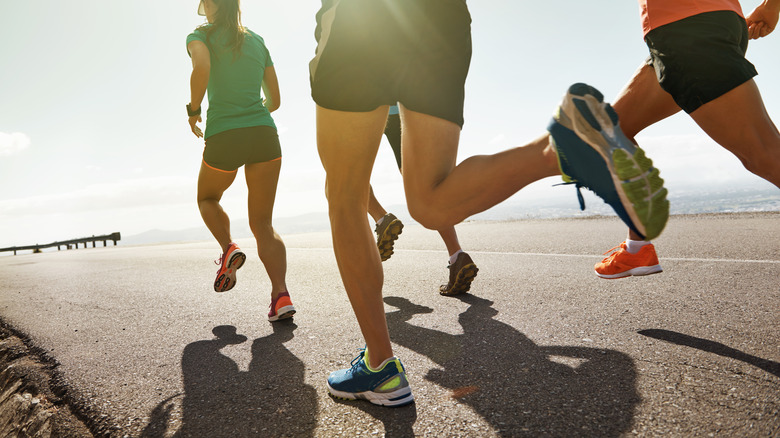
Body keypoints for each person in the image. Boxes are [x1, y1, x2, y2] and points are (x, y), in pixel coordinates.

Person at [310, 0, 668, 407]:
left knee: (343, 196)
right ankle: (562, 147)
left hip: (361, 18)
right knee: (431, 203)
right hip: (439, 17)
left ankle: (380, 367)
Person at [594, 0, 780, 279]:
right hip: (677, 32)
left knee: (765, 156)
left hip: (688, 30)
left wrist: (771, 5)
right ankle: (637, 249)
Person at [186, 0, 295, 322]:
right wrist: (254, 110)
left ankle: (228, 247)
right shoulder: (257, 40)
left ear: (210, 5)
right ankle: (281, 295)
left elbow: (201, 68)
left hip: (224, 134)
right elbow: (275, 100)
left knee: (207, 197)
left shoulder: (199, 36)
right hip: (264, 133)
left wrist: (194, 111)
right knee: (263, 223)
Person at [369, 104, 479, 296]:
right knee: (421, 180)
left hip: (363, 106)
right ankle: (456, 255)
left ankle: (381, 218)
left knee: (347, 176)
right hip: (399, 107)